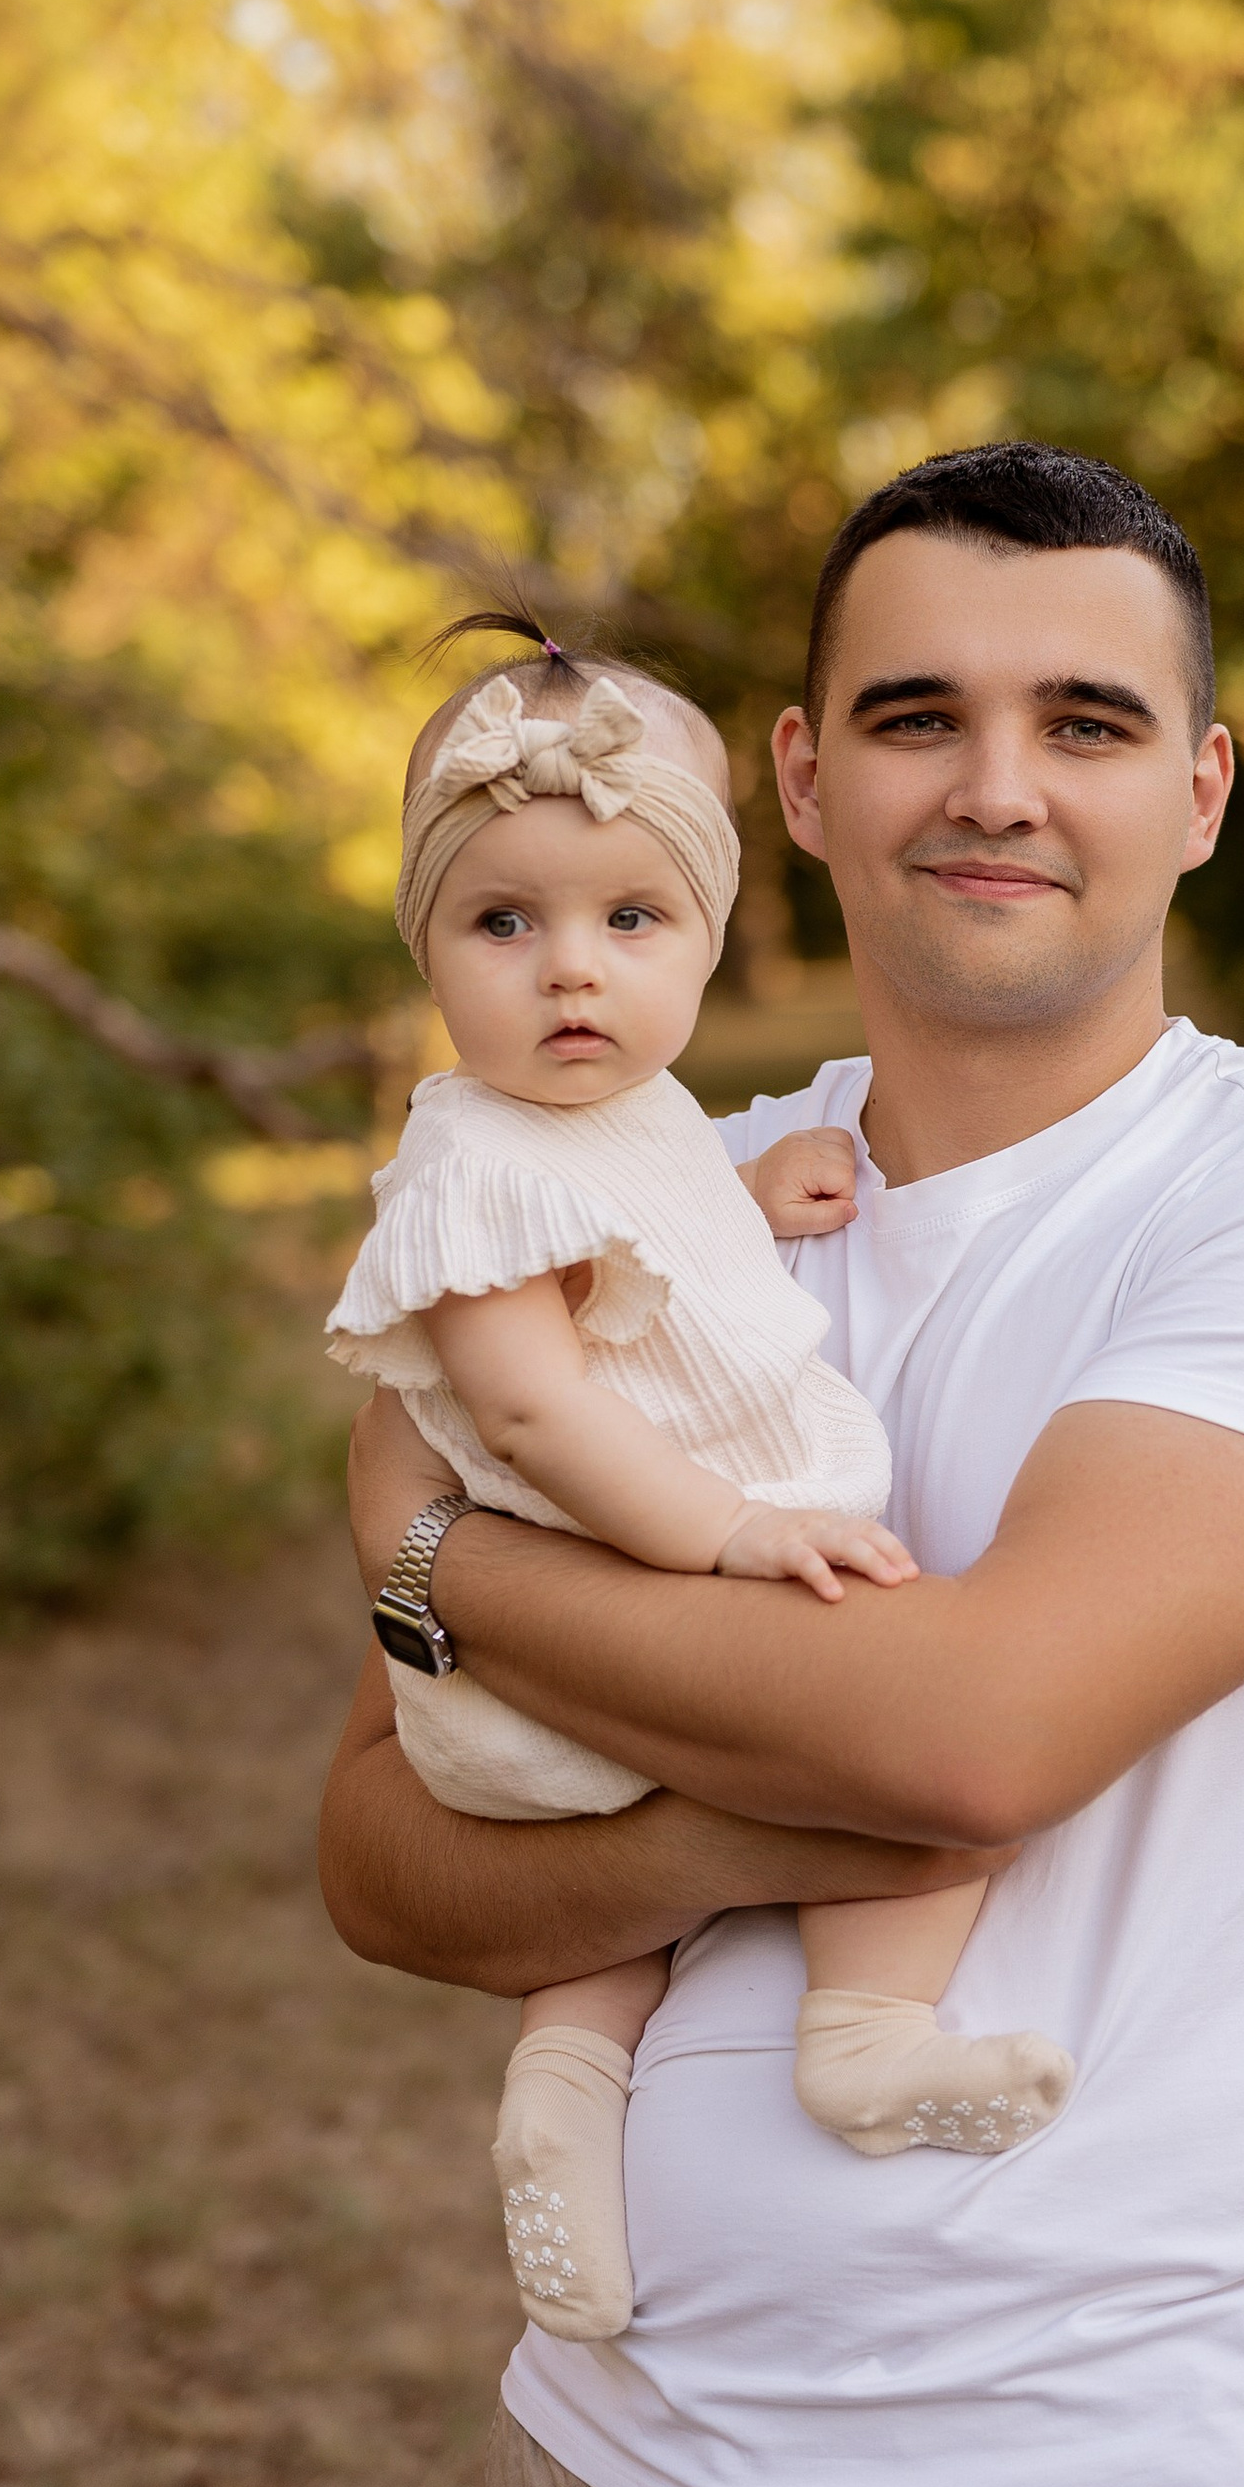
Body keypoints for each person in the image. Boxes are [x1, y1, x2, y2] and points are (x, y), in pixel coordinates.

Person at [320, 441, 1244, 2487]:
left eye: (1083, 720)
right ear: (795, 778)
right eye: (913, 716)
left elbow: (966, 1746)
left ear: (1199, 789)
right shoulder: (638, 1187)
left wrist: (432, 1561)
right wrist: (707, 1839)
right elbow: (377, 1852)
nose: (994, 785)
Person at [323, 632, 1074, 2343]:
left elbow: (634, 1241)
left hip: (537, 1649)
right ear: (425, 944)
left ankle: (566, 2100)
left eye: (629, 920)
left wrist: (745, 1194)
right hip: (603, 1622)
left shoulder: (632, 1117)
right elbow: (532, 1407)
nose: (570, 972)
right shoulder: (468, 1158)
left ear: (711, 934)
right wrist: (727, 1533)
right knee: (905, 1778)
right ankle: (863, 2036)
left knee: (608, 1949)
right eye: (502, 924)